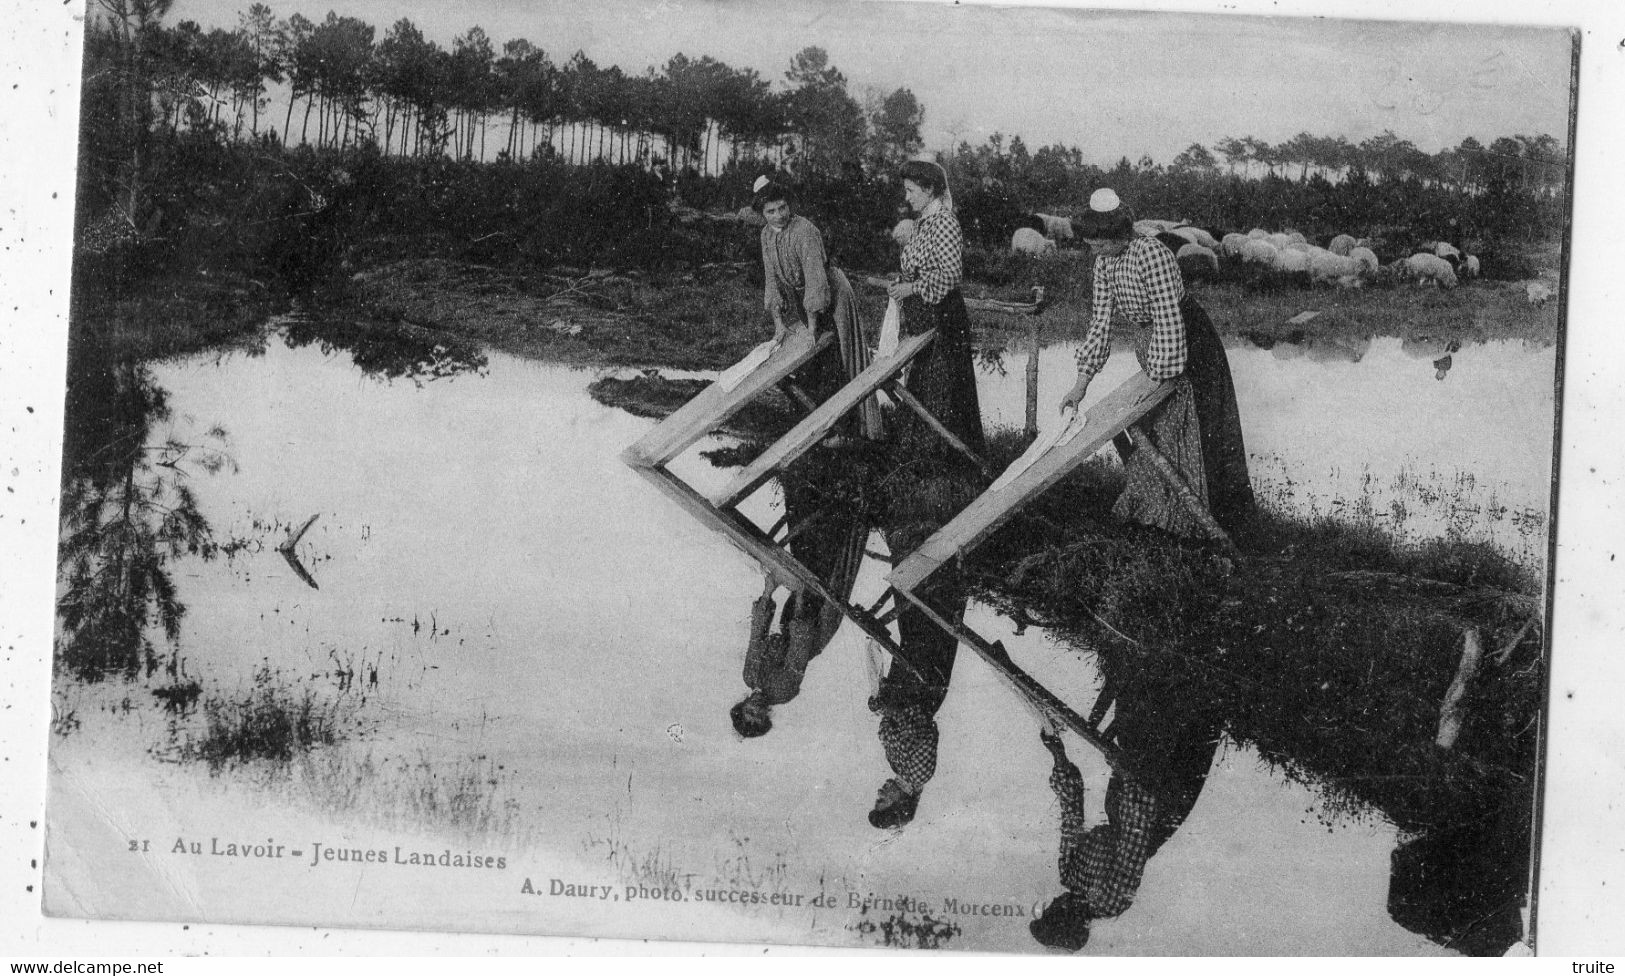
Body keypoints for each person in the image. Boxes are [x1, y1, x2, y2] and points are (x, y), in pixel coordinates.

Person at [867, 159, 989, 830]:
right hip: (931, 318)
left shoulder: (941, 224)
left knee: (938, 398)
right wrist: (892, 702)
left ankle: (941, 459)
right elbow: (916, 709)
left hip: (938, 320)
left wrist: (907, 281)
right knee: (931, 400)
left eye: (908, 187)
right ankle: (936, 457)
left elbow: (944, 282)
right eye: (884, 803)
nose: (905, 196)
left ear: (927, 189)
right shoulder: (910, 769)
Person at [1061, 188, 1254, 539]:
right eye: (1092, 246)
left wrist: (1156, 381)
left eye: (1101, 244)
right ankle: (1161, 511)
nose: (1097, 252)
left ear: (1120, 234)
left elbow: (1168, 317)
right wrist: (1080, 385)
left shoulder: (1152, 254)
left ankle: (1200, 521)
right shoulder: (1104, 262)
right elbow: (1100, 322)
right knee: (1159, 430)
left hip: (1189, 344)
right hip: (1152, 346)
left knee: (1191, 426)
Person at [1029, 653, 1224, 951]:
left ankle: (1148, 652)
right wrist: (1126, 772)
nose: (1053, 900)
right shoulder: (1111, 901)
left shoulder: (1069, 874)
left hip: (1123, 800)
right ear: (1065, 918)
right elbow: (1135, 836)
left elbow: (1071, 814)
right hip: (1158, 806)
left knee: (1138, 708)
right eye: (1053, 910)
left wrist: (1058, 754)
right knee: (1188, 708)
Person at [730, 472, 868, 739]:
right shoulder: (783, 692)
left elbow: (757, 634)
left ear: (742, 706)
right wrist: (802, 598)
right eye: (758, 717)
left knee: (805, 558)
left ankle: (822, 488)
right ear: (766, 717)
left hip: (791, 619)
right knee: (829, 567)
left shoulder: (750, 675)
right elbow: (799, 647)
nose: (755, 710)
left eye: (749, 712)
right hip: (816, 625)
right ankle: (854, 498)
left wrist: (768, 592)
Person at [753, 176, 881, 439]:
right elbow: (771, 282)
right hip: (804, 302)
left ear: (790, 206)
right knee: (811, 364)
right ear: (762, 213)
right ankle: (816, 426)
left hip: (832, 298)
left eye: (782, 208)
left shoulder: (804, 231)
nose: (778, 216)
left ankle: (851, 430)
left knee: (837, 358)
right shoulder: (765, 235)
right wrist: (779, 325)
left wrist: (811, 329)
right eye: (770, 211)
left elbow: (815, 282)